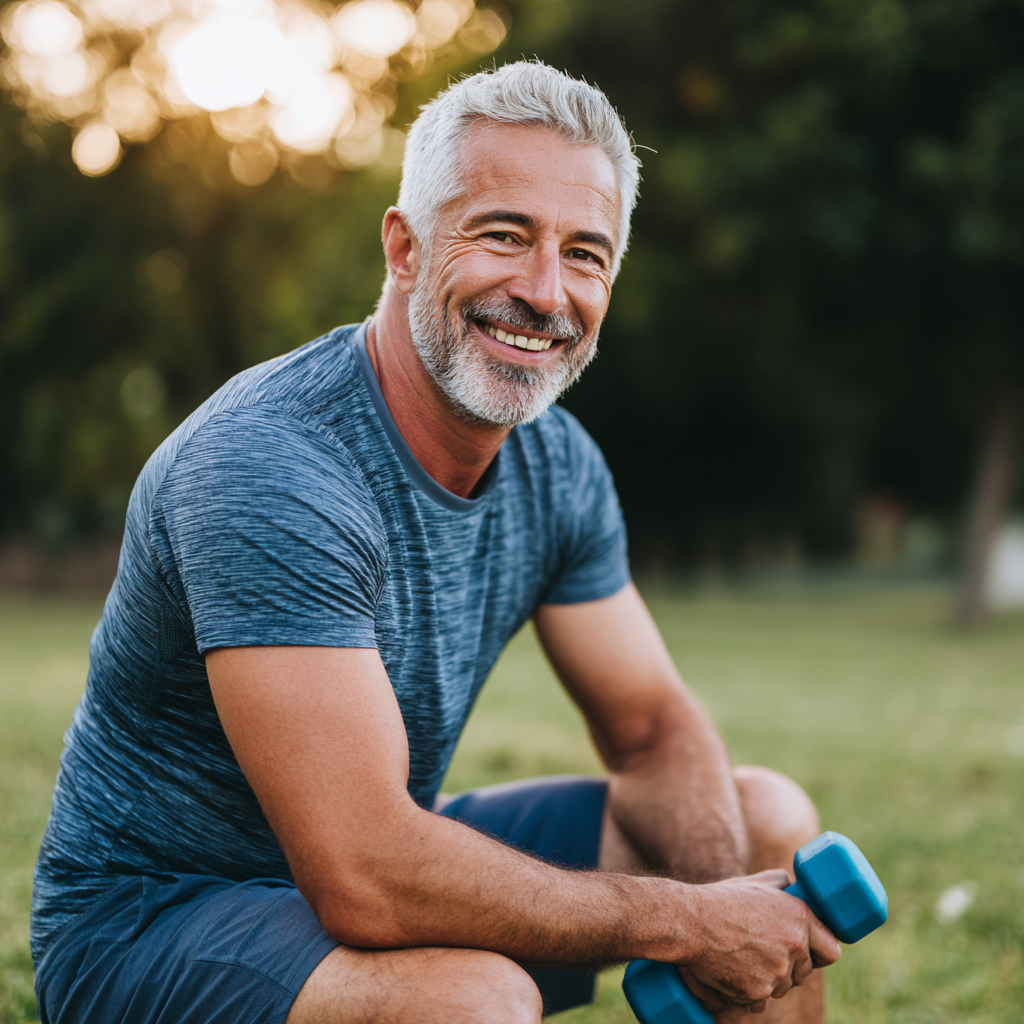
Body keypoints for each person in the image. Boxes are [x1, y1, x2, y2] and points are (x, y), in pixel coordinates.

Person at [31, 62, 840, 1024]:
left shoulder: (559, 464)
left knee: (764, 830)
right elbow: (367, 874)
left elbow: (651, 727)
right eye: (504, 236)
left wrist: (721, 905)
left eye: (586, 255)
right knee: (475, 999)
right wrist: (687, 924)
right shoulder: (269, 465)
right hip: (152, 922)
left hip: (361, 858)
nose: (546, 292)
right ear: (405, 248)